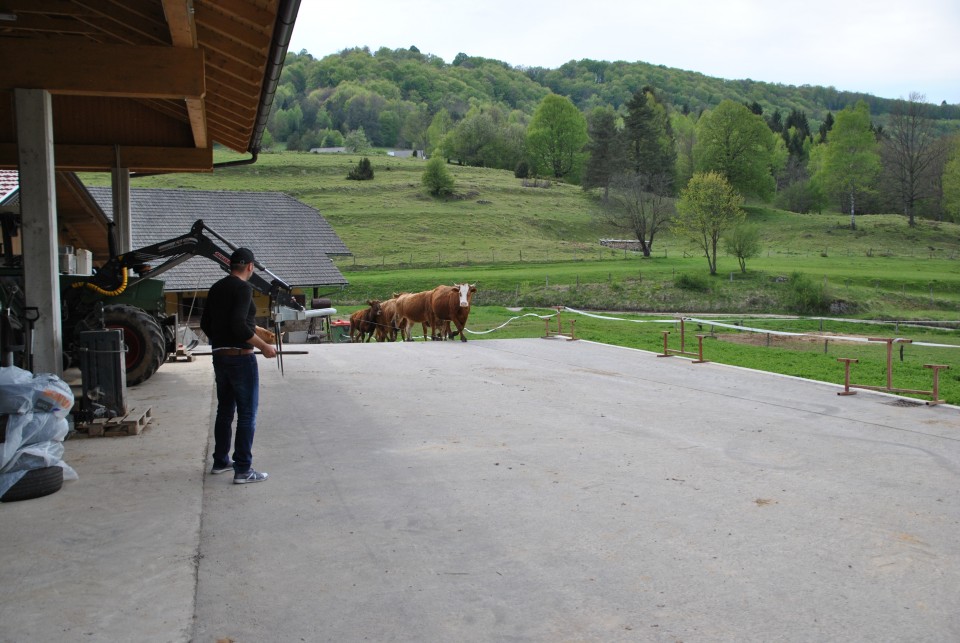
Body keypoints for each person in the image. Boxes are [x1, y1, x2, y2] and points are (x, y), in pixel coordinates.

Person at [200, 247, 277, 484]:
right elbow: (239, 326)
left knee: (225, 410)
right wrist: (263, 346)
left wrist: (222, 341)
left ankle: (221, 460)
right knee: (246, 414)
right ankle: (243, 469)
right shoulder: (244, 288)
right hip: (241, 358)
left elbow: (205, 324)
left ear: (230, 265)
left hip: (220, 357)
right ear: (251, 267)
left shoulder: (217, 287)